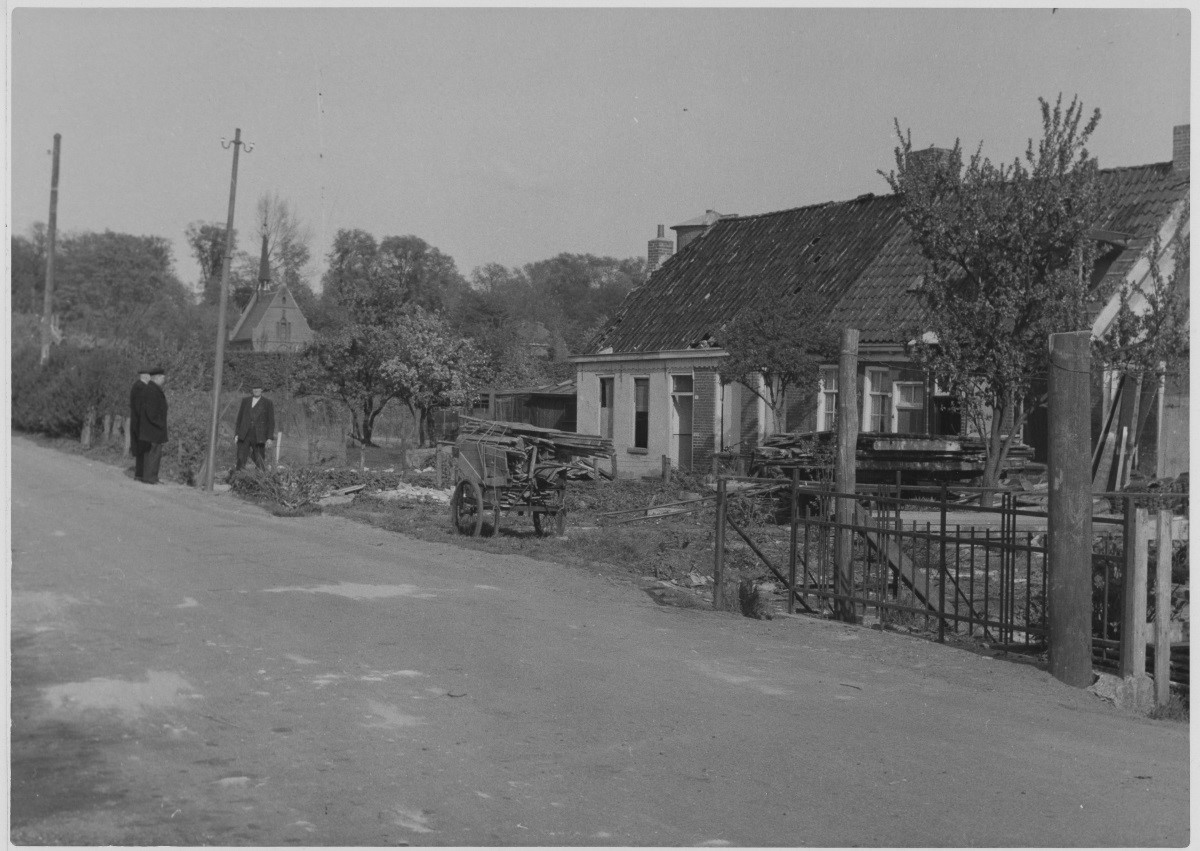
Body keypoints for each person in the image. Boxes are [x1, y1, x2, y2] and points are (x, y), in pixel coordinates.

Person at [234, 382, 276, 472]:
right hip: (244, 433)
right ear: (252, 390)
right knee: (240, 457)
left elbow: (271, 422)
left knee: (259, 459)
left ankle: (260, 477)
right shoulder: (245, 401)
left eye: (258, 388)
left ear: (261, 390)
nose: (256, 390)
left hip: (259, 435)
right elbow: (240, 418)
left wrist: (269, 438)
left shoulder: (267, 403)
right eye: (254, 388)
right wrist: (237, 434)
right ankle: (238, 476)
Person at [138, 367, 169, 485]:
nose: (164, 379)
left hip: (152, 428)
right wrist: (159, 423)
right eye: (162, 377)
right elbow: (151, 412)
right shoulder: (151, 390)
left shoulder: (152, 389)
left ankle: (151, 477)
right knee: (153, 453)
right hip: (153, 428)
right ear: (157, 378)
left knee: (153, 453)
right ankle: (150, 477)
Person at [129, 369, 151, 480]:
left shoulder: (138, 386)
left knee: (141, 448)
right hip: (140, 423)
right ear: (146, 376)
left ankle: (141, 473)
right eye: (150, 376)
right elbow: (139, 407)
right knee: (141, 448)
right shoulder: (140, 388)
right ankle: (140, 474)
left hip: (138, 422)